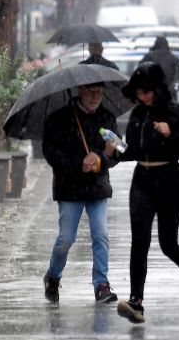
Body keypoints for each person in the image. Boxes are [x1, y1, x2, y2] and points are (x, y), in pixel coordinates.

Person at [113, 62, 179, 324]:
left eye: (147, 91)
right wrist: (114, 151)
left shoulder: (175, 113)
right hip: (142, 181)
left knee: (168, 244)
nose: (143, 97)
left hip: (169, 181)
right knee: (139, 242)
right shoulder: (137, 115)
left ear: (157, 89)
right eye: (139, 93)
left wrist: (170, 134)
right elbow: (132, 150)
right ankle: (136, 302)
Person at [41, 82, 120, 304]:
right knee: (66, 238)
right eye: (90, 91)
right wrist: (78, 164)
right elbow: (50, 152)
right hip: (69, 188)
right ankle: (53, 277)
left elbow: (118, 150)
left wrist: (99, 159)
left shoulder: (107, 118)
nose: (95, 96)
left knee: (101, 234)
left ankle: (101, 284)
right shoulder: (59, 119)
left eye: (99, 91)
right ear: (79, 91)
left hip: (97, 187)